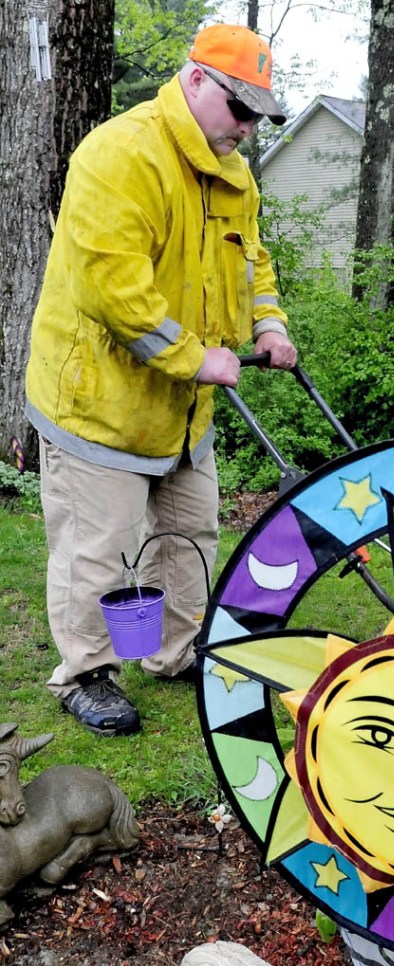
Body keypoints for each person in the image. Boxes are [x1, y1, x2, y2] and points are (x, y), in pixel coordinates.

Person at [25, 24, 297, 738]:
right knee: (103, 546)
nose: (246, 127)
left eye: (258, 116)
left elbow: (252, 264)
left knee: (190, 532)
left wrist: (268, 324)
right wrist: (193, 355)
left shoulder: (232, 170)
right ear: (197, 79)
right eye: (239, 108)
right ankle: (85, 671)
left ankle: (177, 652)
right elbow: (112, 289)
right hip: (99, 401)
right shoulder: (120, 154)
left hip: (182, 409)